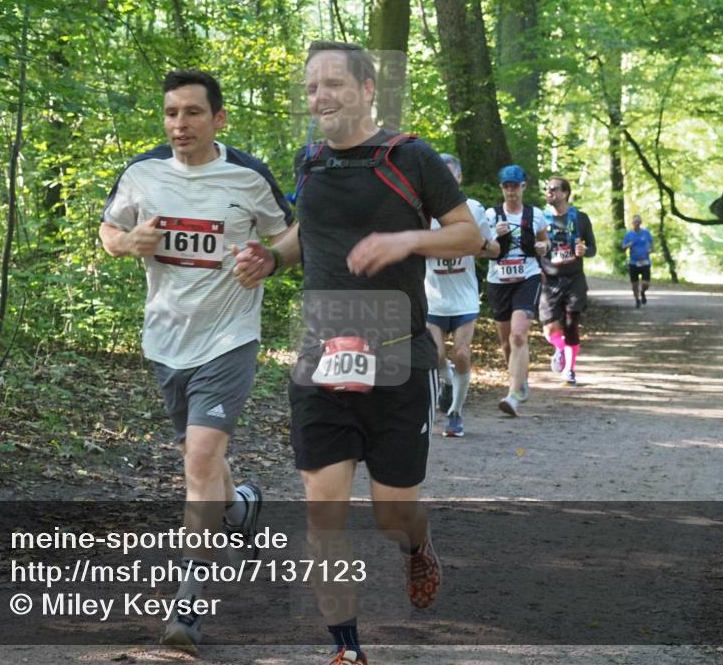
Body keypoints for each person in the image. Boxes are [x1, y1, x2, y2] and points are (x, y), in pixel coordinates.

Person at [233, 41, 482, 665]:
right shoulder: (310, 161)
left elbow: (467, 234)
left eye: (335, 84)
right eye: (313, 86)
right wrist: (273, 256)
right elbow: (306, 234)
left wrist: (403, 241)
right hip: (322, 354)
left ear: (368, 90)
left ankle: (416, 547)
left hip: (397, 358)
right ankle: (346, 650)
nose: (321, 97)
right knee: (324, 517)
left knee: (394, 514)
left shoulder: (411, 157)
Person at [99, 69, 294, 649]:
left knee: (200, 459)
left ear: (218, 119)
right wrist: (124, 243)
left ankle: (188, 604)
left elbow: (293, 234)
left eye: (192, 113)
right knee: (199, 458)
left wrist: (271, 260)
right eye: (170, 113)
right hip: (165, 339)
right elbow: (109, 229)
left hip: (229, 336)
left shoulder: (248, 175)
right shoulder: (142, 172)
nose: (179, 125)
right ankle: (239, 508)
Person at [424, 154, 495, 437]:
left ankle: (455, 413)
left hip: (464, 295)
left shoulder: (474, 210)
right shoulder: (422, 212)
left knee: (462, 353)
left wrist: (478, 245)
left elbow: (494, 249)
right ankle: (447, 380)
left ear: (459, 178)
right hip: (433, 295)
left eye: (449, 175)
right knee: (437, 354)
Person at [483, 165, 550, 417]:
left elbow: (545, 240)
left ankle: (512, 396)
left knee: (519, 335)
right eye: (506, 185)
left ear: (524, 186)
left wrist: (543, 246)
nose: (510, 190)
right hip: (498, 280)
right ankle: (520, 380)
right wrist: (494, 236)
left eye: (515, 185)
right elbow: (483, 249)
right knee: (506, 341)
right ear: (501, 188)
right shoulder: (491, 215)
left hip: (528, 276)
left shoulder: (536, 214)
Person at [539, 177, 597, 387]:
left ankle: (569, 369)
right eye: (547, 189)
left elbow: (592, 248)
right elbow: (531, 247)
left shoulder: (580, 218)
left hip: (574, 279)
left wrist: (585, 251)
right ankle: (561, 349)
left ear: (565, 193)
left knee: (572, 324)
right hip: (549, 280)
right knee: (550, 330)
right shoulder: (540, 219)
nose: (549, 193)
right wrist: (536, 267)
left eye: (553, 189)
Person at [622, 214, 653, 308]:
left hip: (645, 261)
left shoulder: (646, 233)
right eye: (635, 222)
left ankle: (643, 292)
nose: (637, 224)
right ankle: (637, 300)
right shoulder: (629, 235)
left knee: (646, 283)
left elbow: (652, 246)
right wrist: (628, 245)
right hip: (633, 262)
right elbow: (623, 248)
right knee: (634, 284)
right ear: (632, 223)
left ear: (641, 223)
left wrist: (650, 250)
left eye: (639, 222)